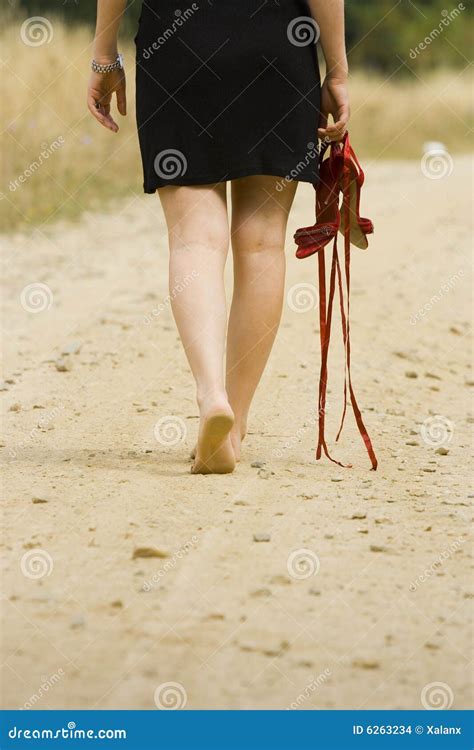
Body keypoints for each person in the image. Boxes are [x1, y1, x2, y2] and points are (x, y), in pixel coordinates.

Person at [88, 0, 349, 474]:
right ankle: (235, 424)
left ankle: (212, 396)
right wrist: (336, 72)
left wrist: (104, 54)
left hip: (178, 47)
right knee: (263, 242)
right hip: (278, 44)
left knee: (194, 241)